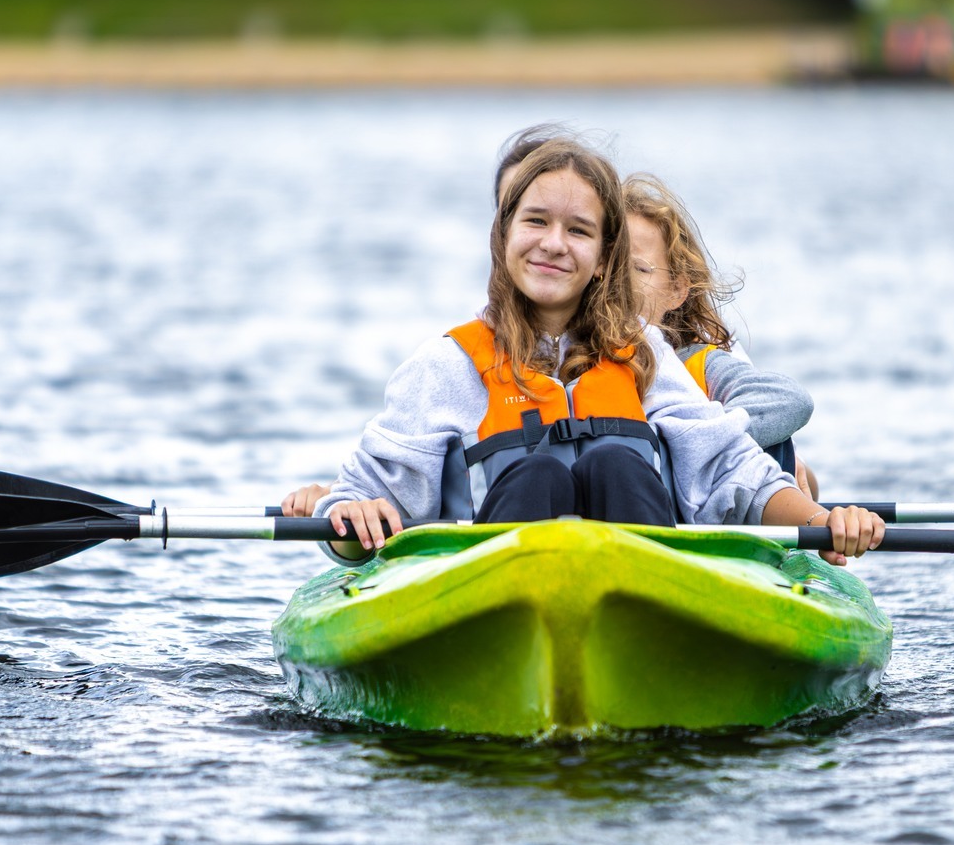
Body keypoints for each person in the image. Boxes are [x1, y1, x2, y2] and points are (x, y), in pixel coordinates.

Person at [309, 135, 885, 565]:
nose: (553, 244)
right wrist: (350, 514)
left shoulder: (645, 354)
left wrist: (822, 522)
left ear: (605, 258)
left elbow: (732, 471)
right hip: (491, 600)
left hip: (640, 593)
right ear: (503, 235)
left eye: (579, 230)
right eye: (536, 221)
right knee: (536, 476)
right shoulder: (446, 365)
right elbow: (357, 505)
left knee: (616, 464)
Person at [620, 171, 822, 499]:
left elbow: (790, 400)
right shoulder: (567, 356)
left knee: (782, 449)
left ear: (676, 290)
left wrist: (695, 442)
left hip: (695, 501)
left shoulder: (696, 364)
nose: (616, 281)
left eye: (638, 268)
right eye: (608, 264)